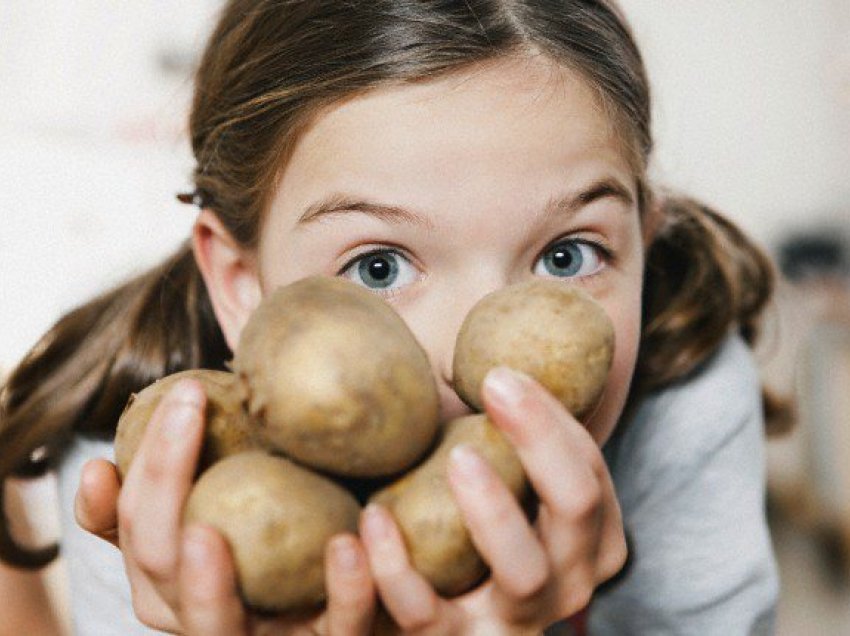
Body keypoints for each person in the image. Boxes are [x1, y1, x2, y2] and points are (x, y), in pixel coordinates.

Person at [0, 1, 780, 634]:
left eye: (568, 257)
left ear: (645, 244)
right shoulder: (156, 474)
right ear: (240, 285)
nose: (473, 351)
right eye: (379, 268)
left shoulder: (690, 406)